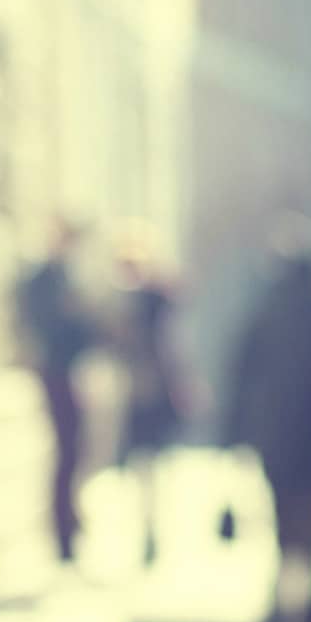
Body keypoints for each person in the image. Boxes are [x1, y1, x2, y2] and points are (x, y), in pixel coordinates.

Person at [227, 247, 311, 622]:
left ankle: (285, 602)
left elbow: (241, 374)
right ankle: (305, 606)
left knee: (282, 520)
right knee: (309, 522)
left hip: (276, 436)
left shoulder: (267, 312)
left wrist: (236, 434)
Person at [18, 219, 100, 561]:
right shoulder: (45, 282)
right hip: (56, 372)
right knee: (66, 451)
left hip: (68, 371)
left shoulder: (63, 279)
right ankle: (63, 531)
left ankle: (70, 522)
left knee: (76, 449)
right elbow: (48, 327)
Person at [113, 236, 187, 564]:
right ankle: (147, 526)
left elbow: (170, 348)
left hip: (149, 393)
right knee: (142, 467)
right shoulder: (125, 304)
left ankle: (152, 526)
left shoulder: (152, 303)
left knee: (150, 466)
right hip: (134, 393)